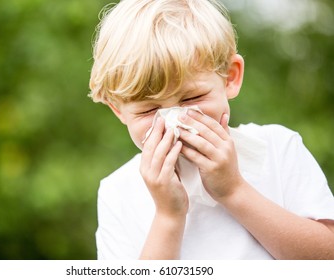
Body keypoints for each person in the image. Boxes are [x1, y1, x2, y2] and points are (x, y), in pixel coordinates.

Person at [89, 0, 334, 259]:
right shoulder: (118, 191)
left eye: (191, 98)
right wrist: (168, 215)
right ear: (119, 110)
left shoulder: (276, 148)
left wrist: (234, 190)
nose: (175, 121)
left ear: (230, 77)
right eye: (149, 110)